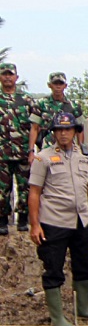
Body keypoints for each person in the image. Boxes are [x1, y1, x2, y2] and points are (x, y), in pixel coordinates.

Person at [28, 112, 88, 326]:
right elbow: (34, 192)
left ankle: (83, 307)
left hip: (81, 220)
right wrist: (35, 225)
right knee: (53, 268)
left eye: (68, 129)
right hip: (54, 221)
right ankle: (57, 318)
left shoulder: (84, 157)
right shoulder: (43, 158)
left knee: (83, 264)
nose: (63, 133)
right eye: (59, 130)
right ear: (53, 133)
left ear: (75, 131)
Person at [0, 62, 35, 234]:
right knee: (2, 190)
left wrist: (32, 150)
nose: (7, 77)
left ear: (16, 77)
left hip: (22, 153)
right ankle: (2, 221)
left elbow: (36, 127)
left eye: (10, 74)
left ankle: (22, 220)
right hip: (1, 154)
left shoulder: (26, 100)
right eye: (4, 74)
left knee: (25, 188)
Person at [29, 72, 85, 163]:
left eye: (61, 84)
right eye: (55, 83)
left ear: (65, 85)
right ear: (49, 85)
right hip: (46, 147)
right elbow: (34, 128)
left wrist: (80, 149)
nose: (58, 86)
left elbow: (80, 130)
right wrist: (31, 151)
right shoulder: (41, 104)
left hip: (68, 148)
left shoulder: (74, 105)